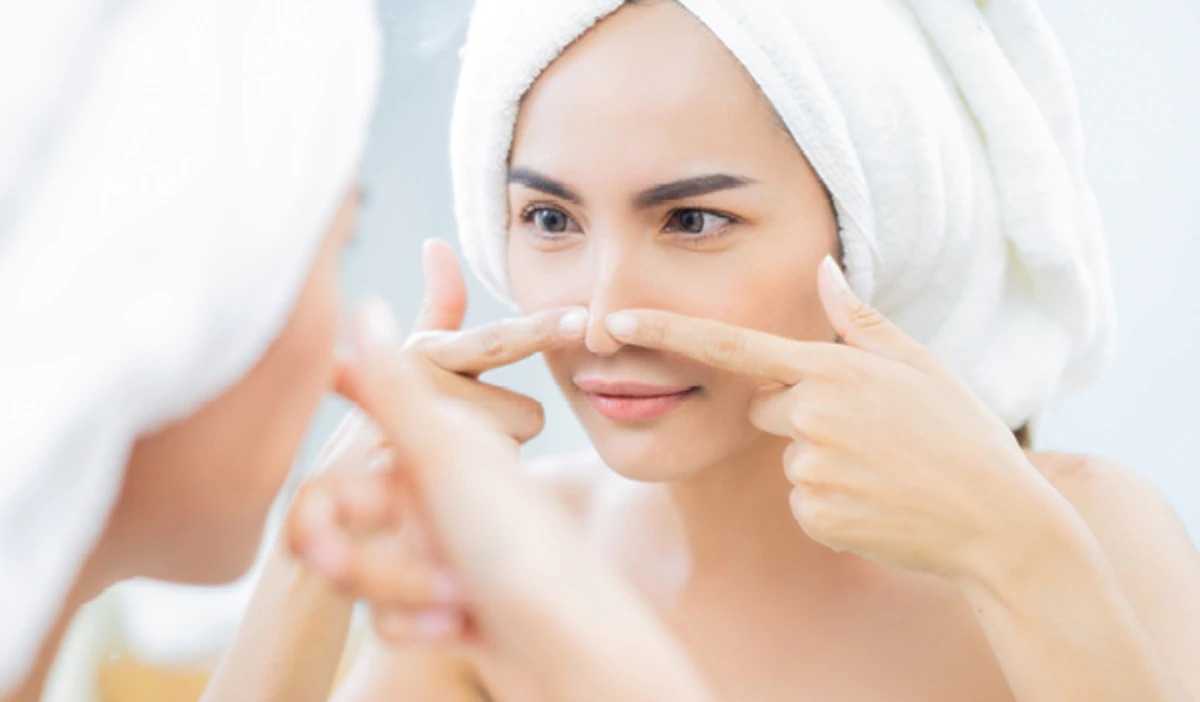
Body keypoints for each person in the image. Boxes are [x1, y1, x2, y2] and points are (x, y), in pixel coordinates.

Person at [209, 0, 1200, 700]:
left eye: (691, 221)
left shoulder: (1081, 535)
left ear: (871, 232)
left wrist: (1015, 558)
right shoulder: (508, 559)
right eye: (551, 218)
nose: (604, 318)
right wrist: (310, 563)